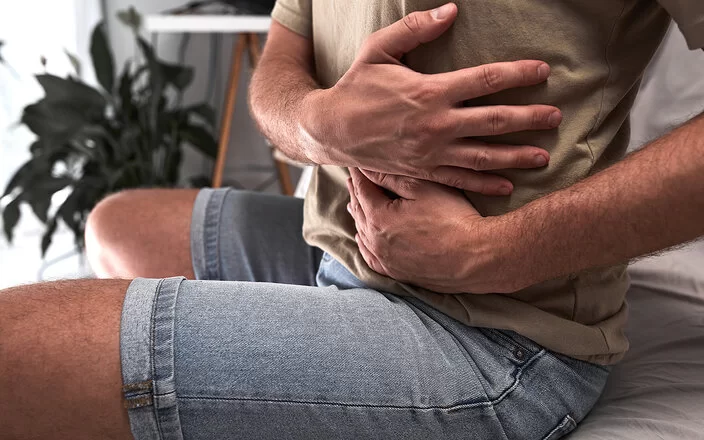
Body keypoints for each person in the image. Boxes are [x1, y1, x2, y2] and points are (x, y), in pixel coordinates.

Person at [1, 1, 703, 439]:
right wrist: (316, 125)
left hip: (495, 338)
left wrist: (491, 254)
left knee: (14, 351)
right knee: (118, 226)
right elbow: (282, 59)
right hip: (338, 252)